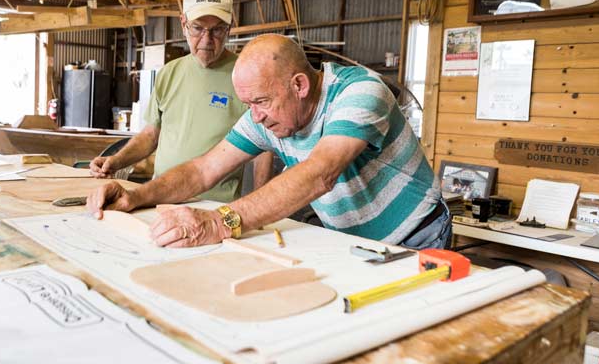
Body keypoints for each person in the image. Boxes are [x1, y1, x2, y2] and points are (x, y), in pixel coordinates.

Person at [86, 34, 449, 250]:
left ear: (300, 86)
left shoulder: (360, 92)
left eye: (260, 102)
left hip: (415, 237)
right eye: (248, 105)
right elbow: (202, 170)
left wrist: (218, 222)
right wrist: (136, 195)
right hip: (353, 242)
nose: (255, 116)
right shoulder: (269, 115)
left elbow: (319, 173)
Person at [89, 0, 272, 202]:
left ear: (230, 27)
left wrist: (261, 202)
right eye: (197, 28)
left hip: (214, 206)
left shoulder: (247, 75)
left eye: (217, 29)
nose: (206, 40)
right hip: (159, 197)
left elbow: (263, 147)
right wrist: (115, 160)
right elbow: (150, 135)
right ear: (183, 23)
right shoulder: (169, 73)